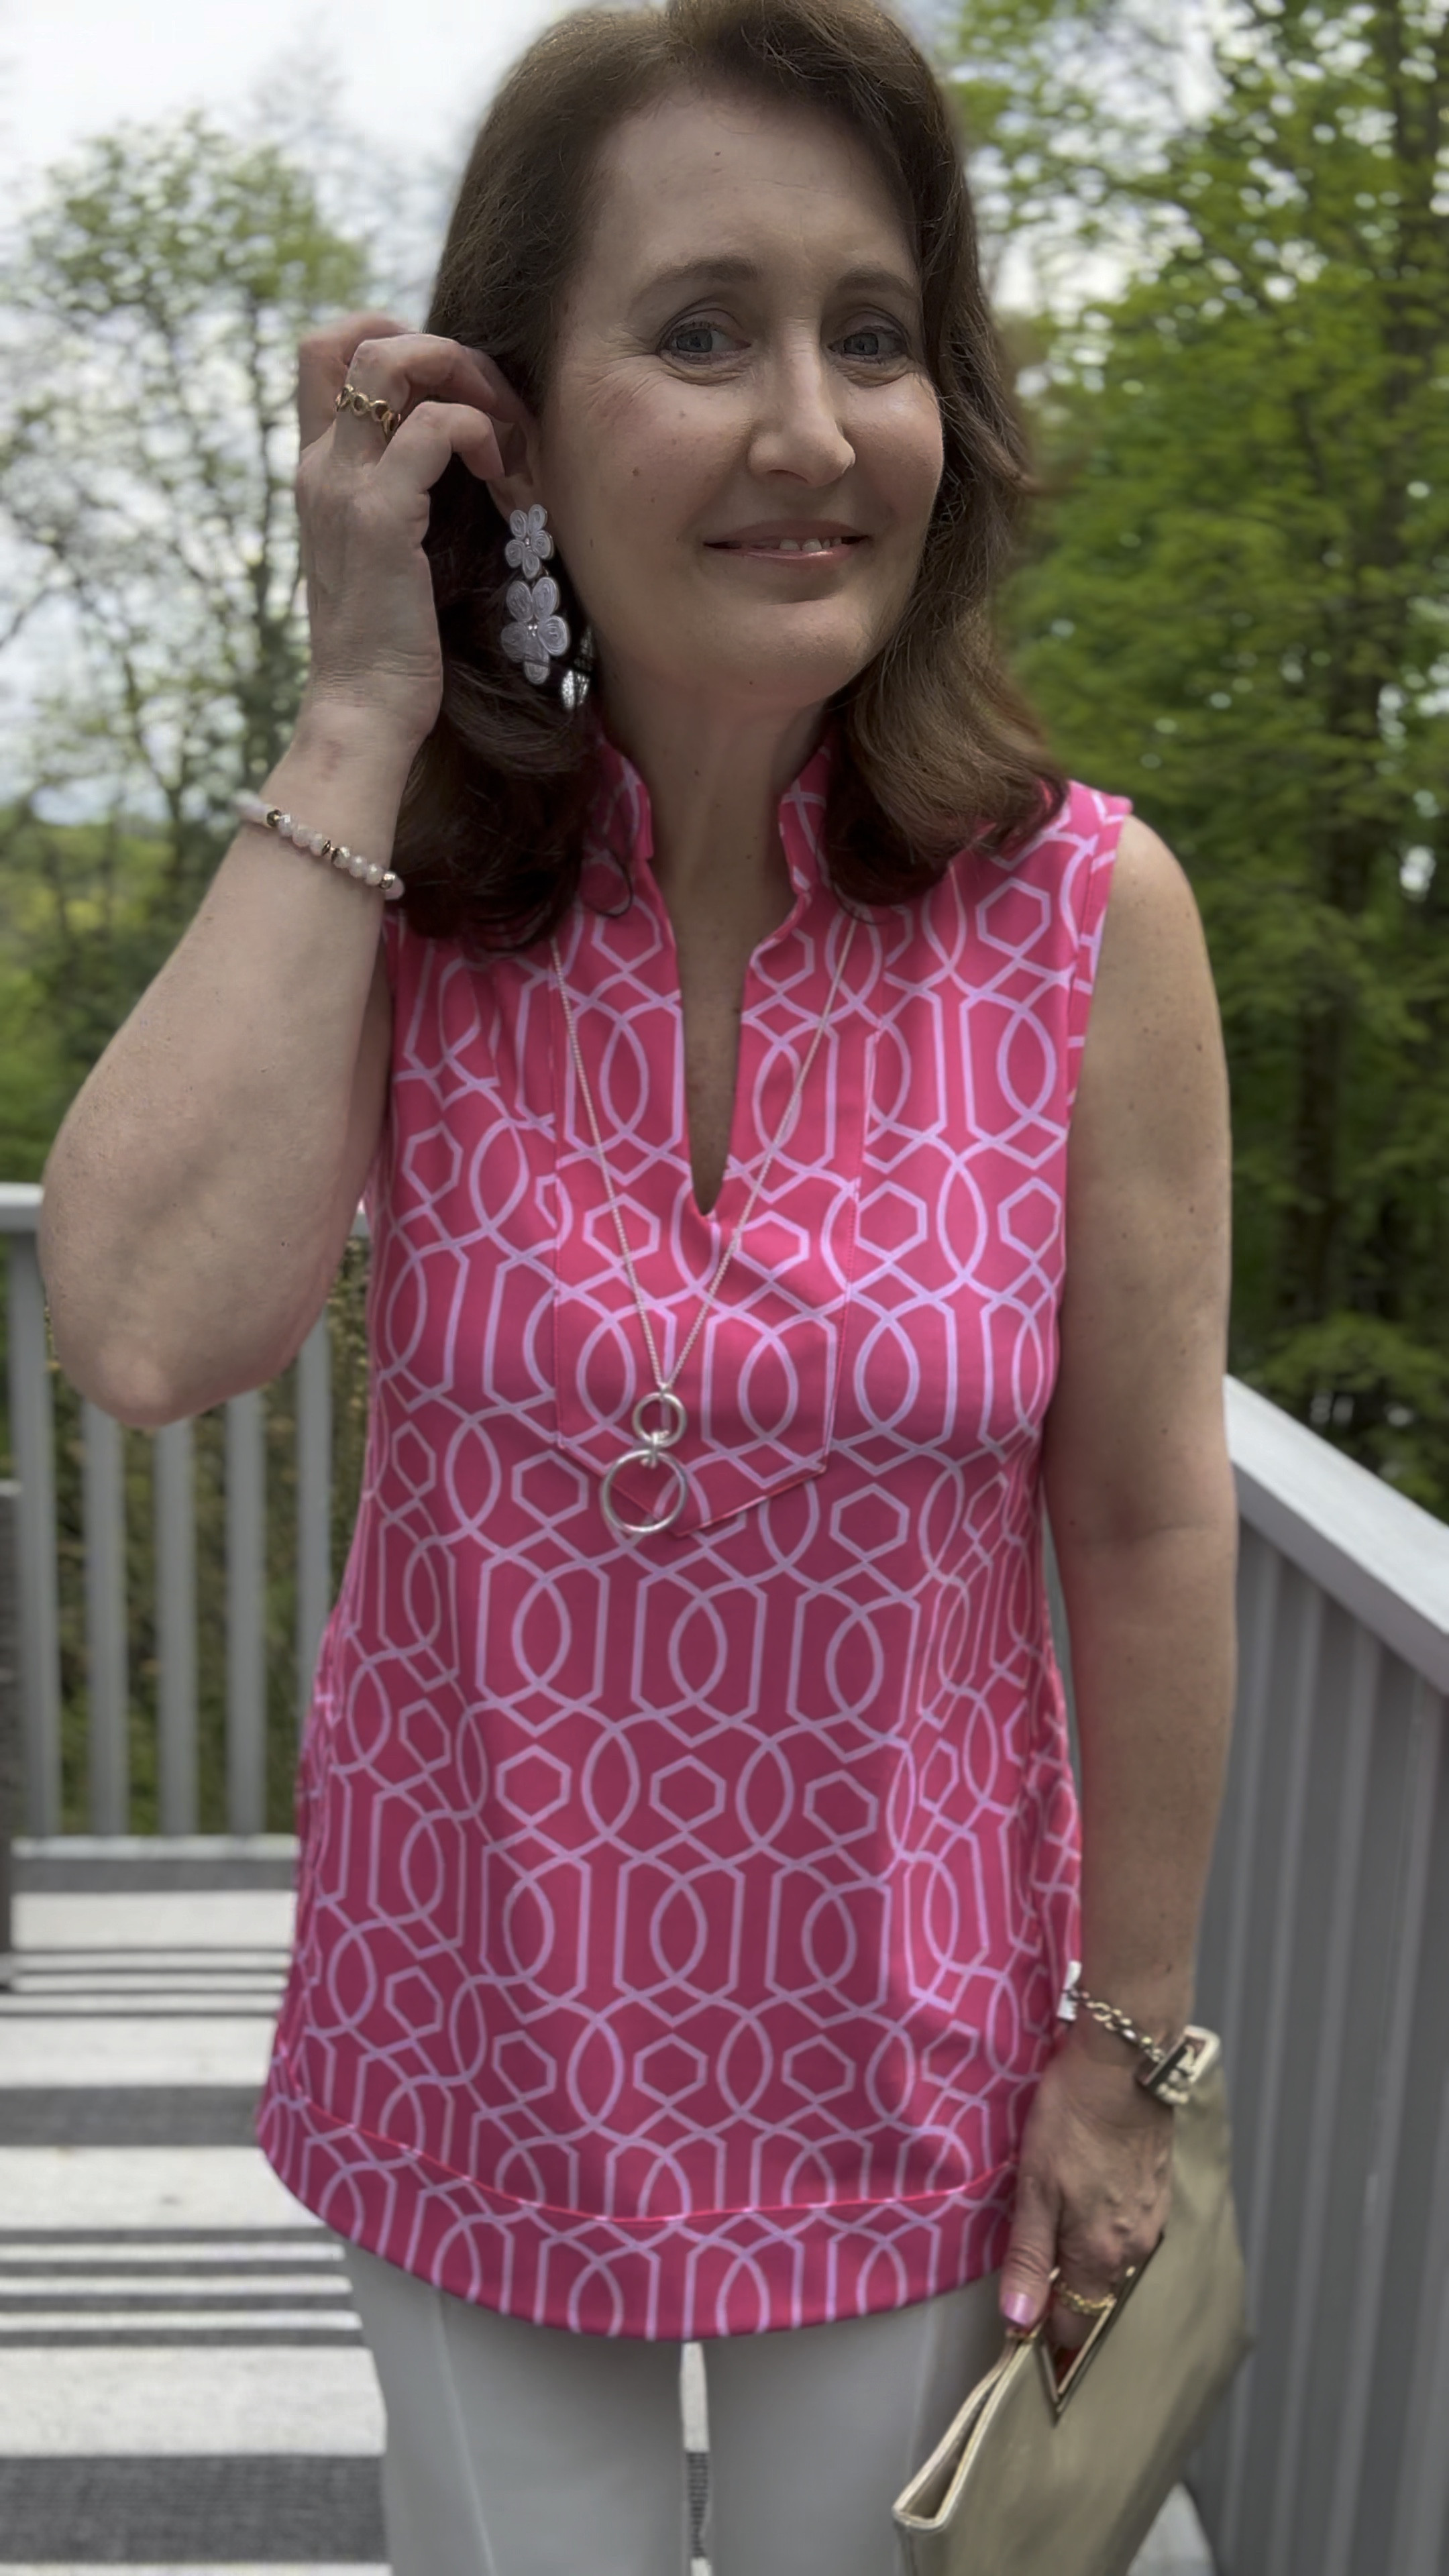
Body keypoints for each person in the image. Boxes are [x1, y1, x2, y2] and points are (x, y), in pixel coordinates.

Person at [38, 0, 1238, 2568]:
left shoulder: (1082, 925)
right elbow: (140, 1328)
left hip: (914, 2085)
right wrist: (371, 690)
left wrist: (1124, 2058)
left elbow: (1147, 1525)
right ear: (518, 416)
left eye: (875, 331)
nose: (813, 427)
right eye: (700, 331)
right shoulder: (418, 901)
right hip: (464, 2046)